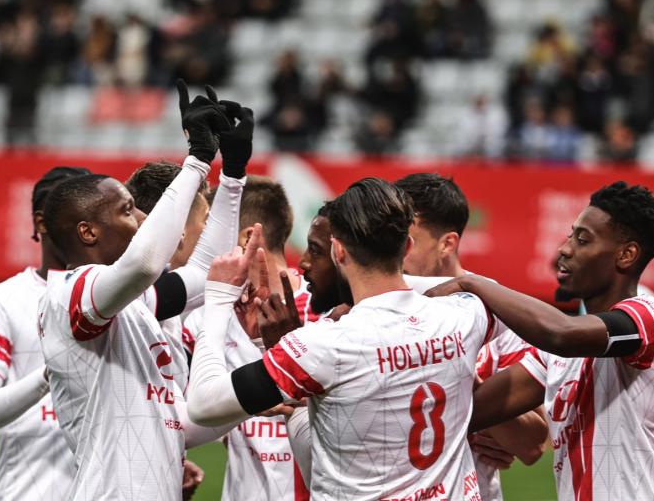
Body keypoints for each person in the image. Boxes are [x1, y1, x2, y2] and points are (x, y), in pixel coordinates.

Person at [186, 178, 511, 499]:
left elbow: (203, 405)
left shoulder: (325, 342)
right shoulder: (462, 314)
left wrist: (218, 297)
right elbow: (523, 315)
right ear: (407, 247)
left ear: (338, 251)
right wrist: (469, 284)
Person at [37, 82, 249, 499]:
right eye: (127, 210)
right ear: (88, 232)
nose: (142, 217)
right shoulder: (69, 291)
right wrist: (196, 161)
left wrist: (233, 173)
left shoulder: (138, 306)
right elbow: (145, 263)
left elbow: (206, 270)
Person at [431, 181, 654, 500]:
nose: (564, 249)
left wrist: (472, 284)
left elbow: (560, 333)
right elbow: (472, 409)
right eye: (570, 236)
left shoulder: (653, 317)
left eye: (583, 240)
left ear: (626, 254)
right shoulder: (555, 356)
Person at [395, 173, 547, 501]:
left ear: (447, 243)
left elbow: (532, 444)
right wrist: (475, 423)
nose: (395, 252)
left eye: (407, 241)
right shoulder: (378, 303)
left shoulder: (498, 310)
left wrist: (455, 371)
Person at [0, 165, 90, 500]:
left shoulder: (126, 299)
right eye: (76, 213)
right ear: (42, 223)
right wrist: (48, 376)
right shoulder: (2, 301)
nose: (87, 225)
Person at [182, 176, 315, 501]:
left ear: (245, 238)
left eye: (212, 231)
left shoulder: (323, 312)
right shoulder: (205, 317)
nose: (201, 243)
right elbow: (178, 413)